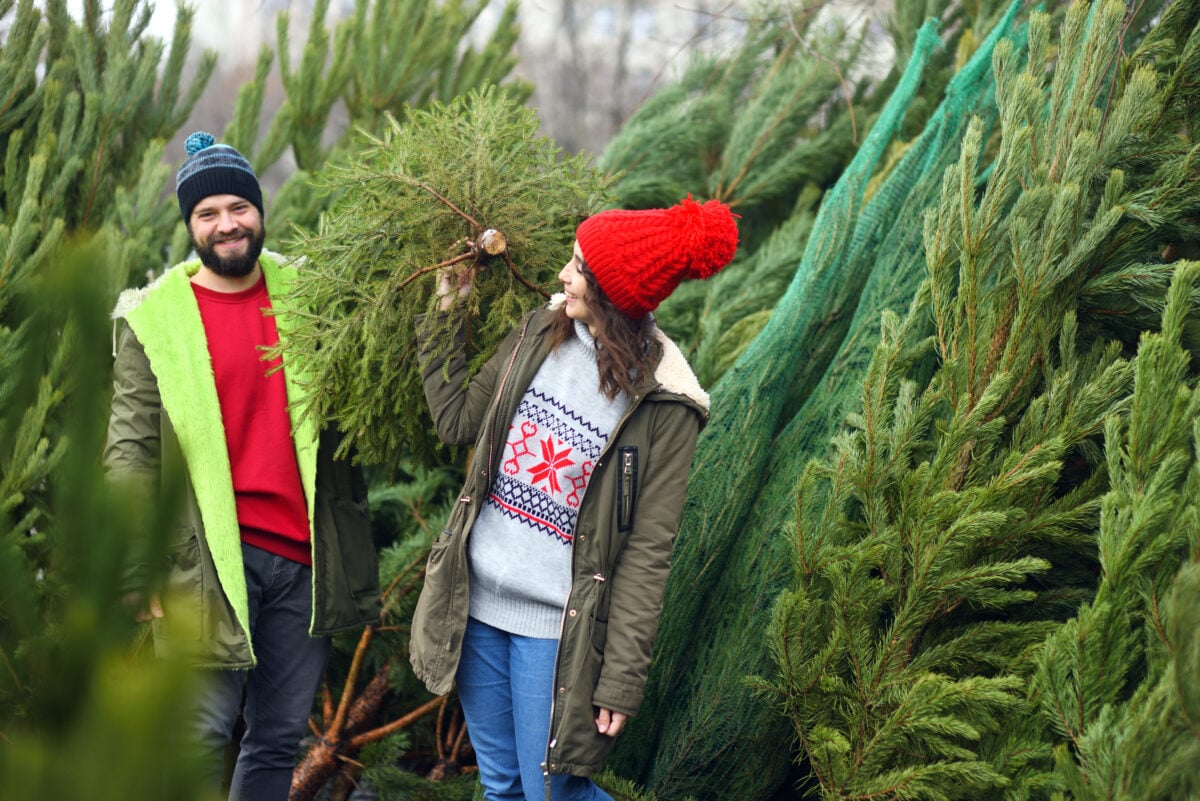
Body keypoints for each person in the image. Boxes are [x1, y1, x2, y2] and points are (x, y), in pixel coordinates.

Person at [410, 196, 739, 801]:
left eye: (580, 267)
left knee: (554, 795)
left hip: (557, 631)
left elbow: (648, 551)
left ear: (613, 291)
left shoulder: (665, 405)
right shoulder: (540, 333)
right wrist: (445, 312)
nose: (564, 274)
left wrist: (621, 678)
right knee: (503, 787)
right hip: (477, 606)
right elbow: (457, 420)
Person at [103, 132, 381, 801]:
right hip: (201, 564)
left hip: (303, 560)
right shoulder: (155, 319)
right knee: (198, 735)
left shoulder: (310, 296)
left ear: (259, 210)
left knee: (277, 737)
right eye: (208, 213)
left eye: (239, 207)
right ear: (190, 225)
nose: (227, 223)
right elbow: (129, 451)